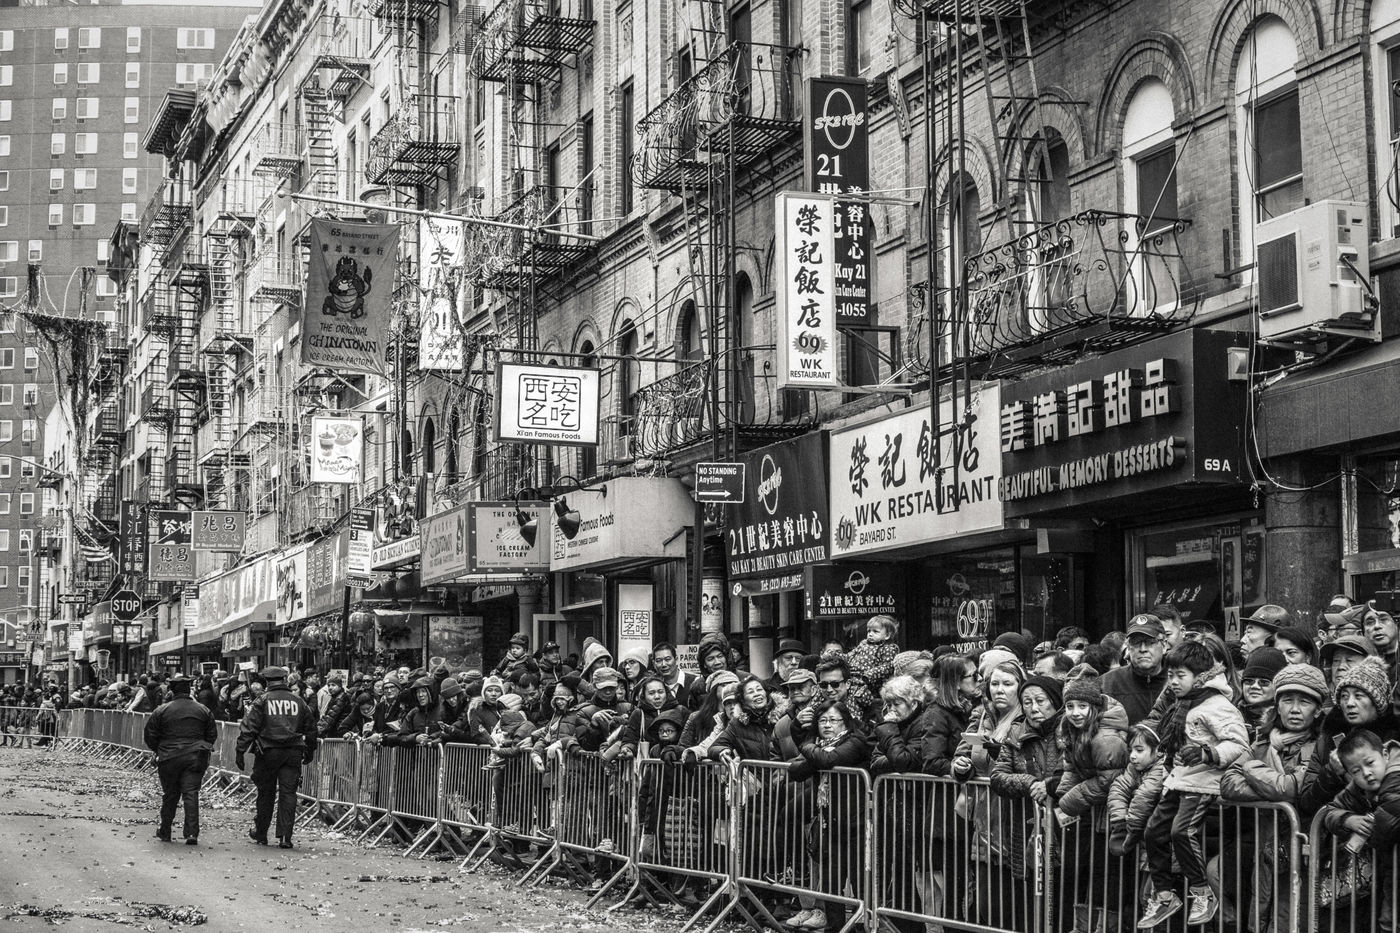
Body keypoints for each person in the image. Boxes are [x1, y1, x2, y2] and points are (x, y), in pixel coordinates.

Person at [1137, 641, 1250, 927]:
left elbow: (1239, 744)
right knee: (1153, 832)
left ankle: (1202, 892)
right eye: (1171, 675)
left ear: (1199, 677)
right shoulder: (1181, 703)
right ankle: (1164, 895)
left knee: (1182, 831)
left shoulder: (1217, 705)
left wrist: (1207, 753)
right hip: (1179, 780)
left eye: (1180, 675)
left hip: (1204, 782)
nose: (1173, 682)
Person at [1218, 662, 1327, 933]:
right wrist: (1272, 789)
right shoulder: (1264, 742)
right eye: (1288, 700)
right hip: (1267, 846)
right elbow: (1228, 783)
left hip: (1305, 848)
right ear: (1277, 705)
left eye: (1304, 702)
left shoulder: (1321, 745)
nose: (1295, 709)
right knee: (1261, 913)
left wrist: (1252, 769)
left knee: (1291, 916)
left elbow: (1291, 789)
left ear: (1317, 710)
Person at [1299, 655, 1400, 816]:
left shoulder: (1394, 739)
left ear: (1377, 702)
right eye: (1344, 696)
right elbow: (1307, 803)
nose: (1350, 703)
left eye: (1358, 696)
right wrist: (1332, 772)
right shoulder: (1328, 738)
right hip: (1337, 828)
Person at [235, 666, 318, 849]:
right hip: (292, 752)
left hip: (268, 752)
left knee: (266, 793)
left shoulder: (262, 700)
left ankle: (261, 833)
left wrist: (240, 751)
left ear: (266, 681)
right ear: (284, 680)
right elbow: (311, 728)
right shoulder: (298, 701)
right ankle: (285, 837)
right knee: (288, 794)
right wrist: (310, 750)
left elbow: (249, 727)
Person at [143, 674, 216, 846]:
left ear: (172, 691)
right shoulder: (203, 710)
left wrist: (159, 749)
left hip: (169, 757)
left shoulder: (162, 710)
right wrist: (202, 747)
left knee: (170, 794)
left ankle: (165, 830)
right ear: (189, 690)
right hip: (195, 756)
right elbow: (211, 734)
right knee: (191, 793)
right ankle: (191, 832)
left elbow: (150, 734)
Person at [1107, 724, 1165, 856]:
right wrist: (1119, 822)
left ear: (1157, 750)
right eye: (1130, 750)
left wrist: (1133, 827)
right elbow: (1118, 788)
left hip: (1161, 837)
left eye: (1139, 750)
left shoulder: (1162, 766)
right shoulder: (1133, 768)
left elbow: (1145, 795)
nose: (1132, 756)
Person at [1102, 615, 1169, 725]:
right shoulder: (1107, 683)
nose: (1143, 649)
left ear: (1164, 645)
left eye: (1150, 642)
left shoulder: (1178, 681)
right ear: (1128, 647)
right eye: (1136, 642)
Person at [923, 654, 979, 777]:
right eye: (974, 675)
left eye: (979, 673)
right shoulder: (936, 714)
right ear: (956, 683)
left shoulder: (976, 705)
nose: (979, 678)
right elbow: (932, 762)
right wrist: (961, 768)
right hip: (951, 786)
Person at [845, 615, 902, 718]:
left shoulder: (889, 648)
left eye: (875, 631)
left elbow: (888, 666)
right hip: (852, 679)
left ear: (887, 635)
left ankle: (856, 722)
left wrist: (871, 674)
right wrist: (837, 656)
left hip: (869, 684)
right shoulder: (863, 645)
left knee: (857, 702)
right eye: (869, 631)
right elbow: (849, 656)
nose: (870, 634)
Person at [1238, 647, 1288, 742]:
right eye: (1249, 681)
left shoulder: (1287, 722)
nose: (1255, 686)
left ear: (1278, 686)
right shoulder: (1228, 713)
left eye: (1264, 682)